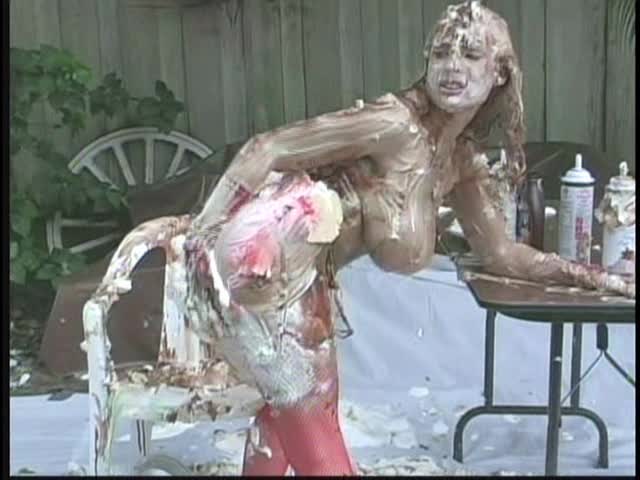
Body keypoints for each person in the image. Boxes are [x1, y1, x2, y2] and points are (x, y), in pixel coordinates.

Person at [183, 1, 634, 475]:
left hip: (302, 279)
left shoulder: (457, 160)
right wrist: (200, 237)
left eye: (470, 55)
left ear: (499, 72)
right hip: (260, 263)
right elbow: (267, 148)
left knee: (290, 411)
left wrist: (599, 278)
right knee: (311, 413)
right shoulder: (393, 123)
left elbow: (502, 255)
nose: (452, 67)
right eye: (441, 53)